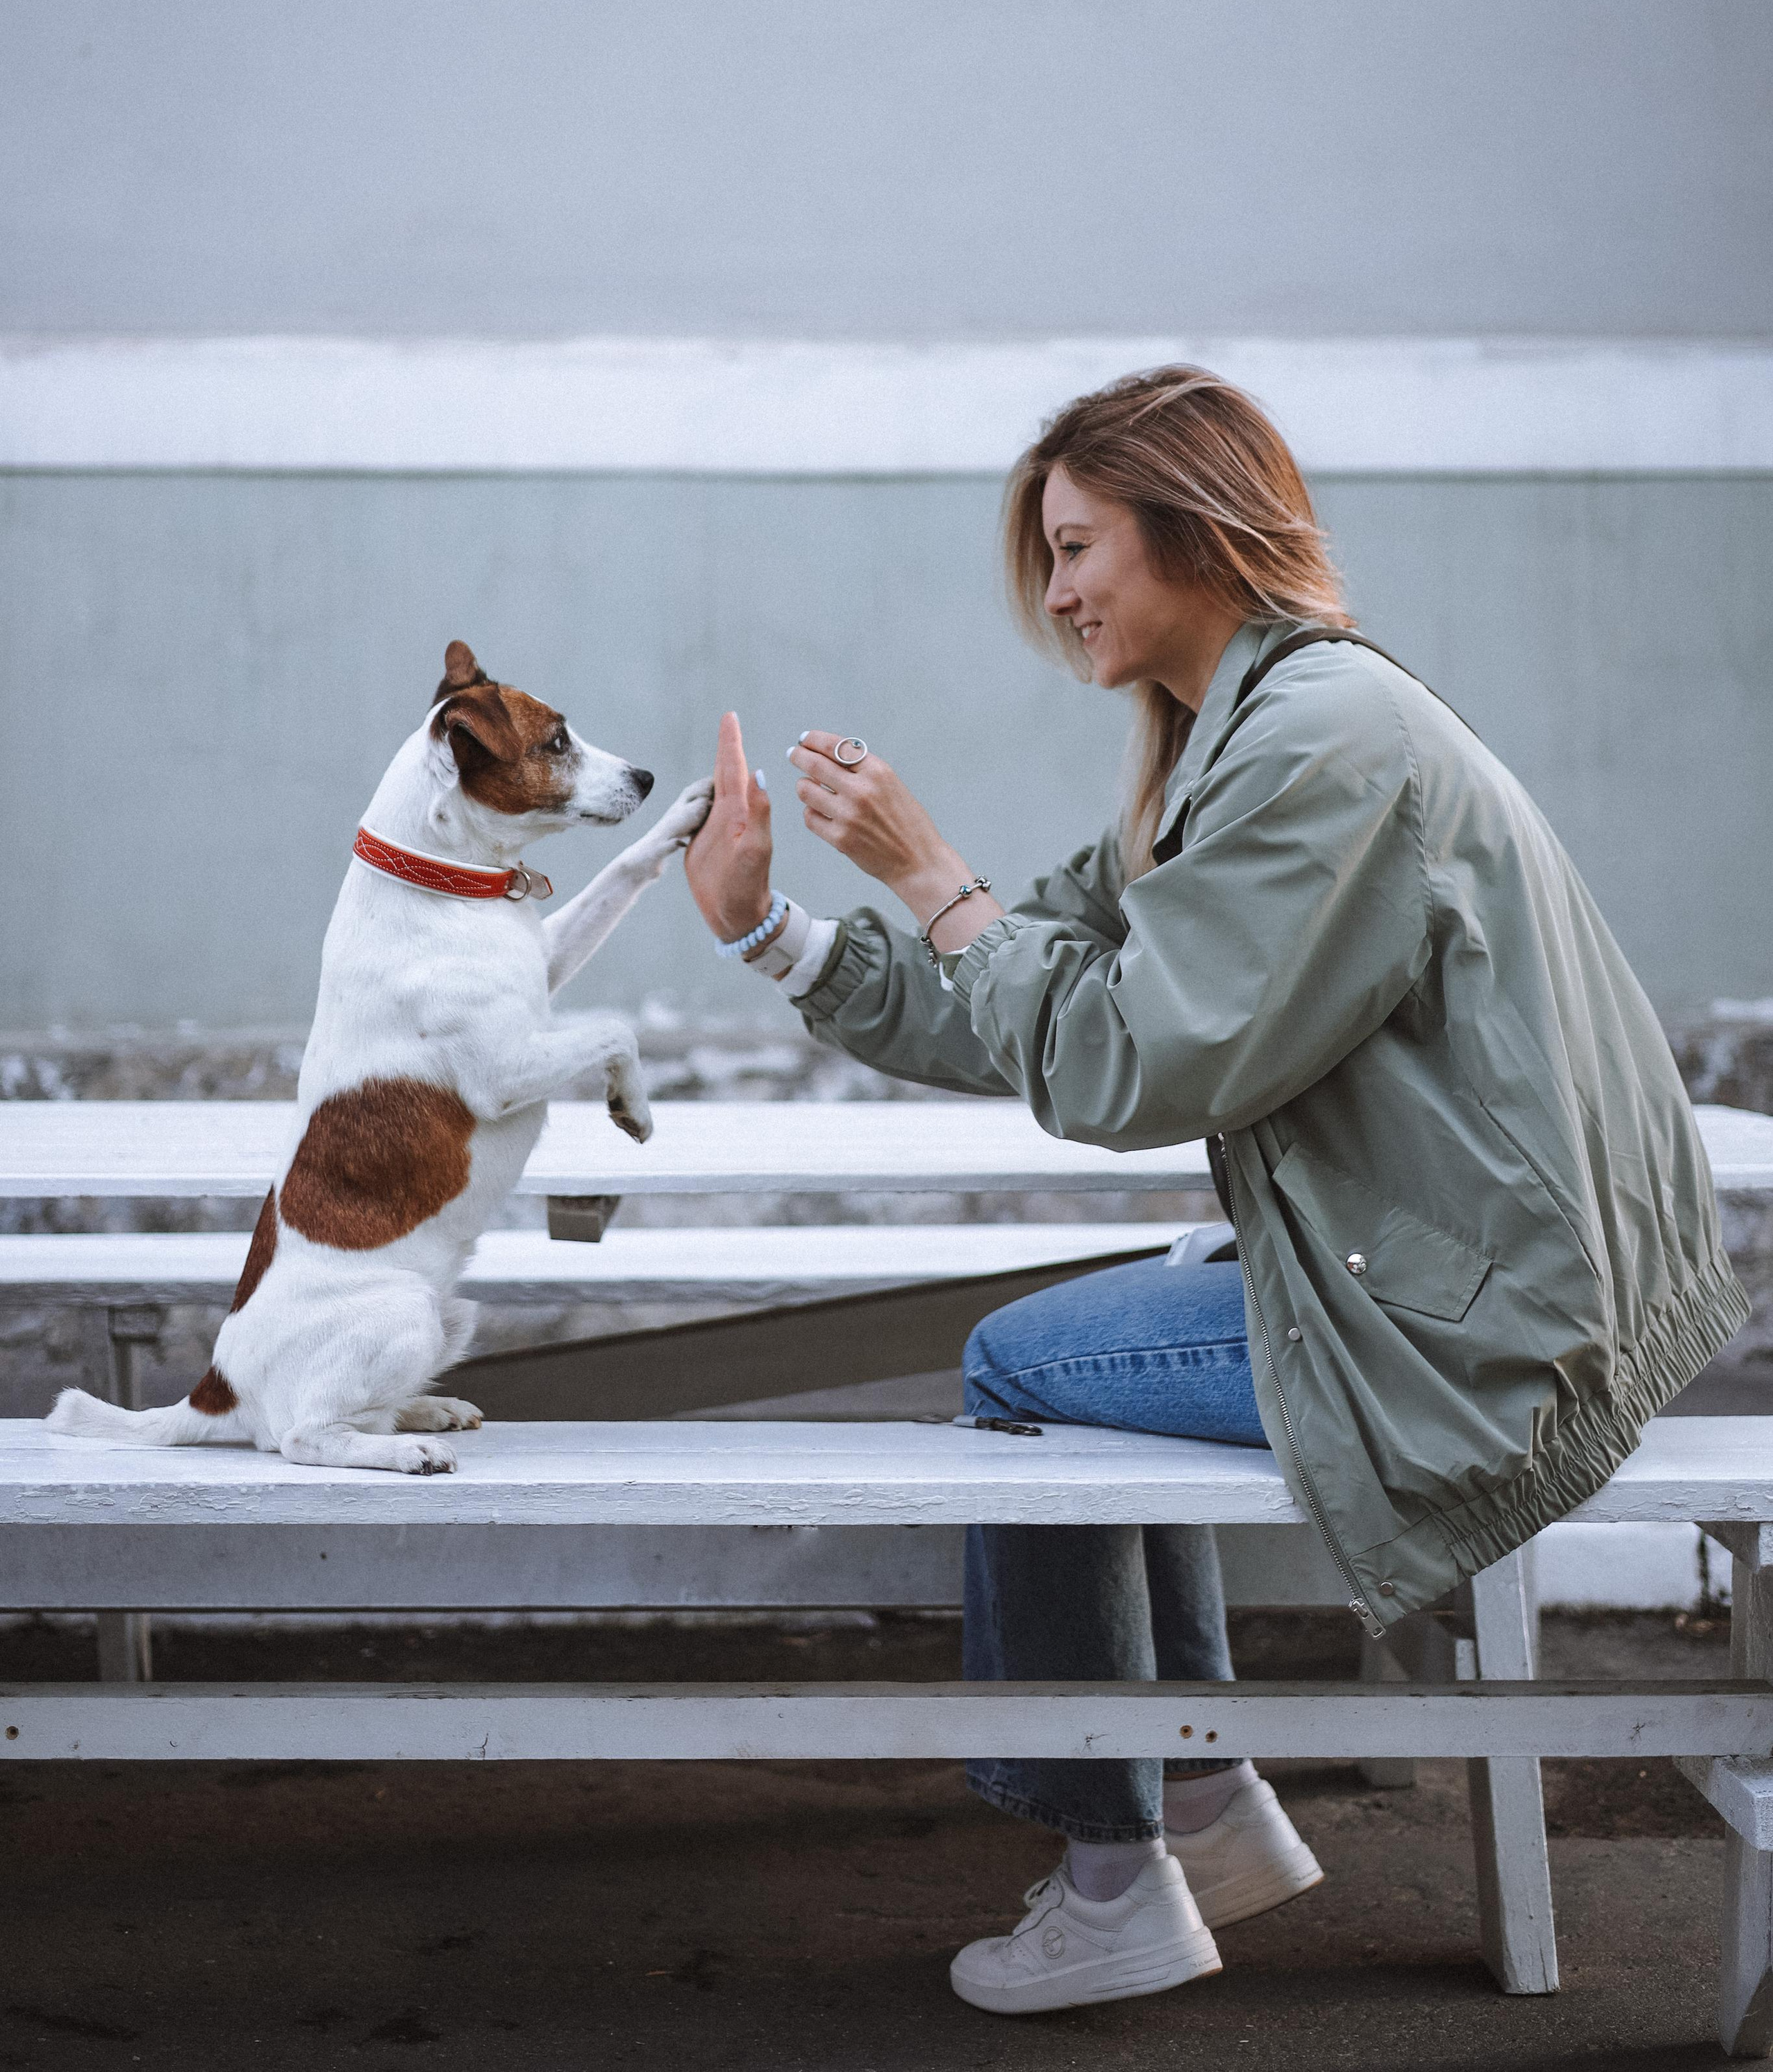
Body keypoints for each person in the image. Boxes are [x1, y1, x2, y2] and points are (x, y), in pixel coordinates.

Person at [681, 362, 1746, 2019]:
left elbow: (1120, 1064)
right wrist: (772, 931)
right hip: (1464, 1274)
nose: (1053, 592)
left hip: (1489, 1326)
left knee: (1016, 1368)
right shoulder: (1240, 738)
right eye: (1045, 553)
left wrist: (922, 872)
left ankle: (1119, 1871)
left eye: (1077, 543)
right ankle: (1197, 1803)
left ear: (1189, 526)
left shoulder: (1314, 744)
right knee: (1078, 1359)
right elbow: (1031, 983)